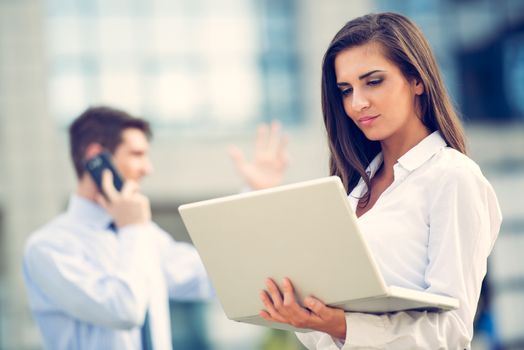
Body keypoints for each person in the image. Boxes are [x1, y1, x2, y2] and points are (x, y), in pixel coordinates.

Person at [257, 12, 502, 349]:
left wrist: (343, 326)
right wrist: (302, 314)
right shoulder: (349, 192)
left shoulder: (452, 177)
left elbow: (452, 331)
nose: (357, 104)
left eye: (373, 81)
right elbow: (325, 335)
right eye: (345, 90)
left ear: (417, 80)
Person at [22, 106, 288, 350]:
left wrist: (255, 196)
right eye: (137, 155)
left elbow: (214, 276)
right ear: (95, 157)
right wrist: (131, 228)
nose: (147, 169)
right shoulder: (49, 247)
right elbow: (125, 310)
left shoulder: (143, 235)